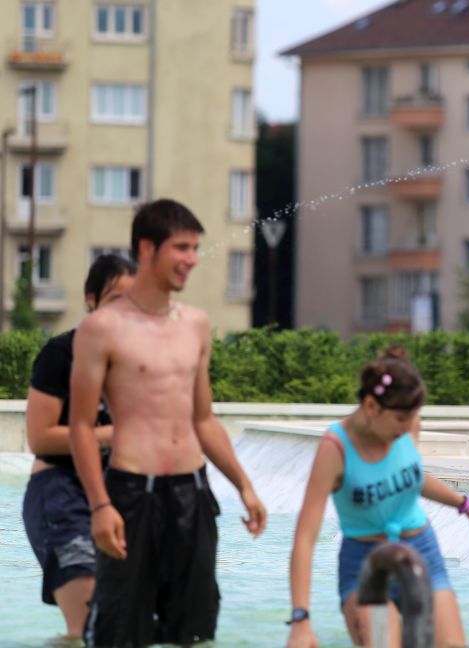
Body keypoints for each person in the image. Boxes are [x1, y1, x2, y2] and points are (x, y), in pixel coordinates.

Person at [69, 199, 268, 646]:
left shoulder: (195, 325)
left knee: (194, 631)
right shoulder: (102, 328)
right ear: (147, 248)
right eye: (181, 248)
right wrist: (100, 506)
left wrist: (244, 485)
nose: (192, 260)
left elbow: (203, 418)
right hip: (131, 495)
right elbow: (81, 426)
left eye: (195, 248)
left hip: (192, 493)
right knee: (120, 632)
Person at [286, 346, 469, 648]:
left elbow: (409, 476)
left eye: (412, 418)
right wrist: (301, 619)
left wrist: (467, 507)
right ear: (372, 406)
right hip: (366, 563)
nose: (407, 427)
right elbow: (305, 539)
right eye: (401, 419)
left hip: (421, 551)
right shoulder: (335, 448)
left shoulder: (406, 421)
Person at [22, 254, 136, 641]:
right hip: (60, 495)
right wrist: (114, 434)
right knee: (87, 631)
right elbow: (39, 438)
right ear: (91, 299)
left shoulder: (134, 361)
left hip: (114, 495)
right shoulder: (62, 353)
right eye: (115, 299)